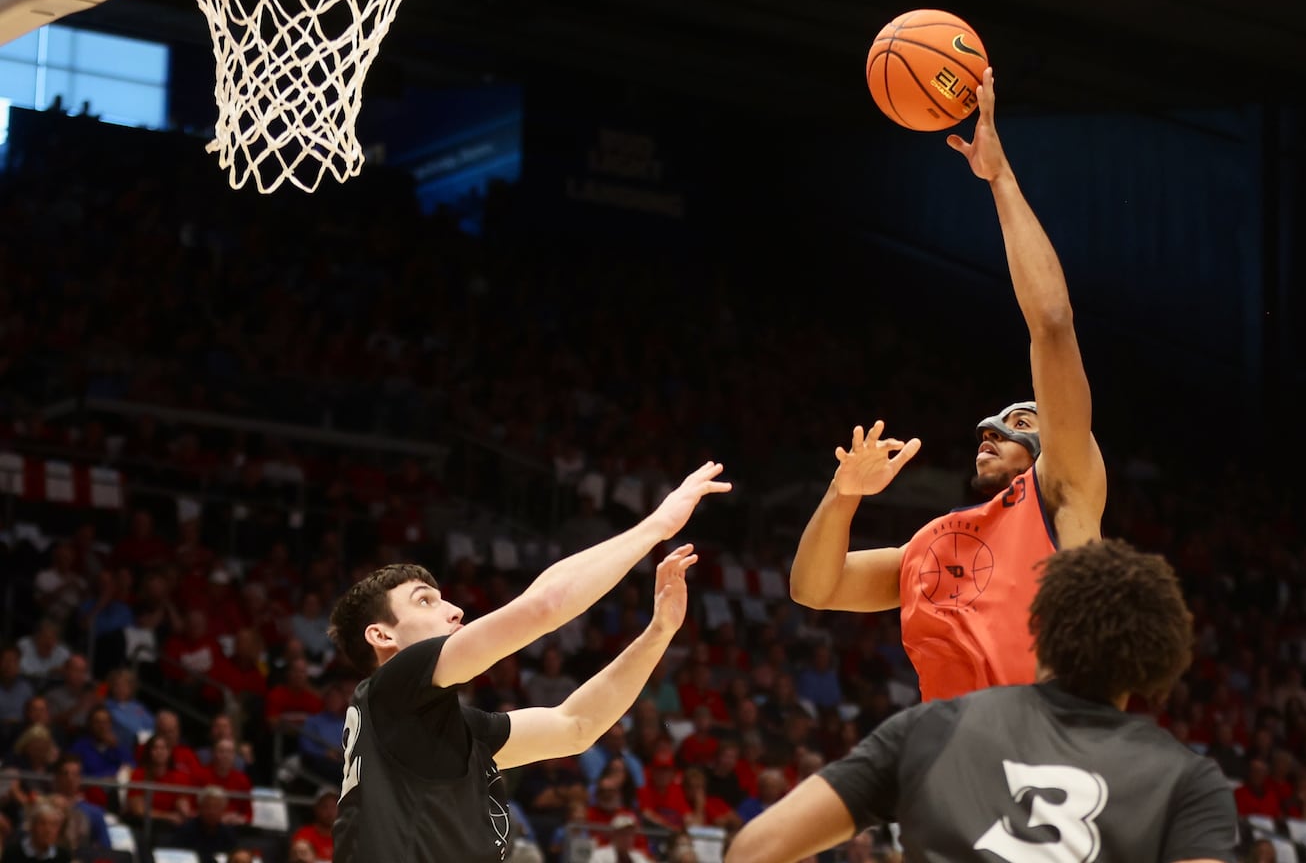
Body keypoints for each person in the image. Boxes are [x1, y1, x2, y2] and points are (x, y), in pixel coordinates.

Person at [789, 67, 1106, 702]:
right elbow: (814, 588)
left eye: (1021, 421)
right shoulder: (930, 546)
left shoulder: (1063, 495)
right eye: (993, 421)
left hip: (1043, 750)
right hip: (947, 762)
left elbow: (1051, 324)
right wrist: (843, 493)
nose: (992, 427)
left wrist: (1000, 179)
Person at [727, 540, 1236, 863]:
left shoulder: (930, 728)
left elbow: (754, 850)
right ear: (1160, 660)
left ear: (1039, 628)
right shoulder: (1187, 781)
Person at [328, 461, 729, 863]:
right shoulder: (393, 687)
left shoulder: (438, 726)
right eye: (424, 601)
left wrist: (658, 633)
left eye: (443, 597)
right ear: (382, 636)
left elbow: (576, 726)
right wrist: (658, 526)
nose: (453, 610)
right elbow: (544, 607)